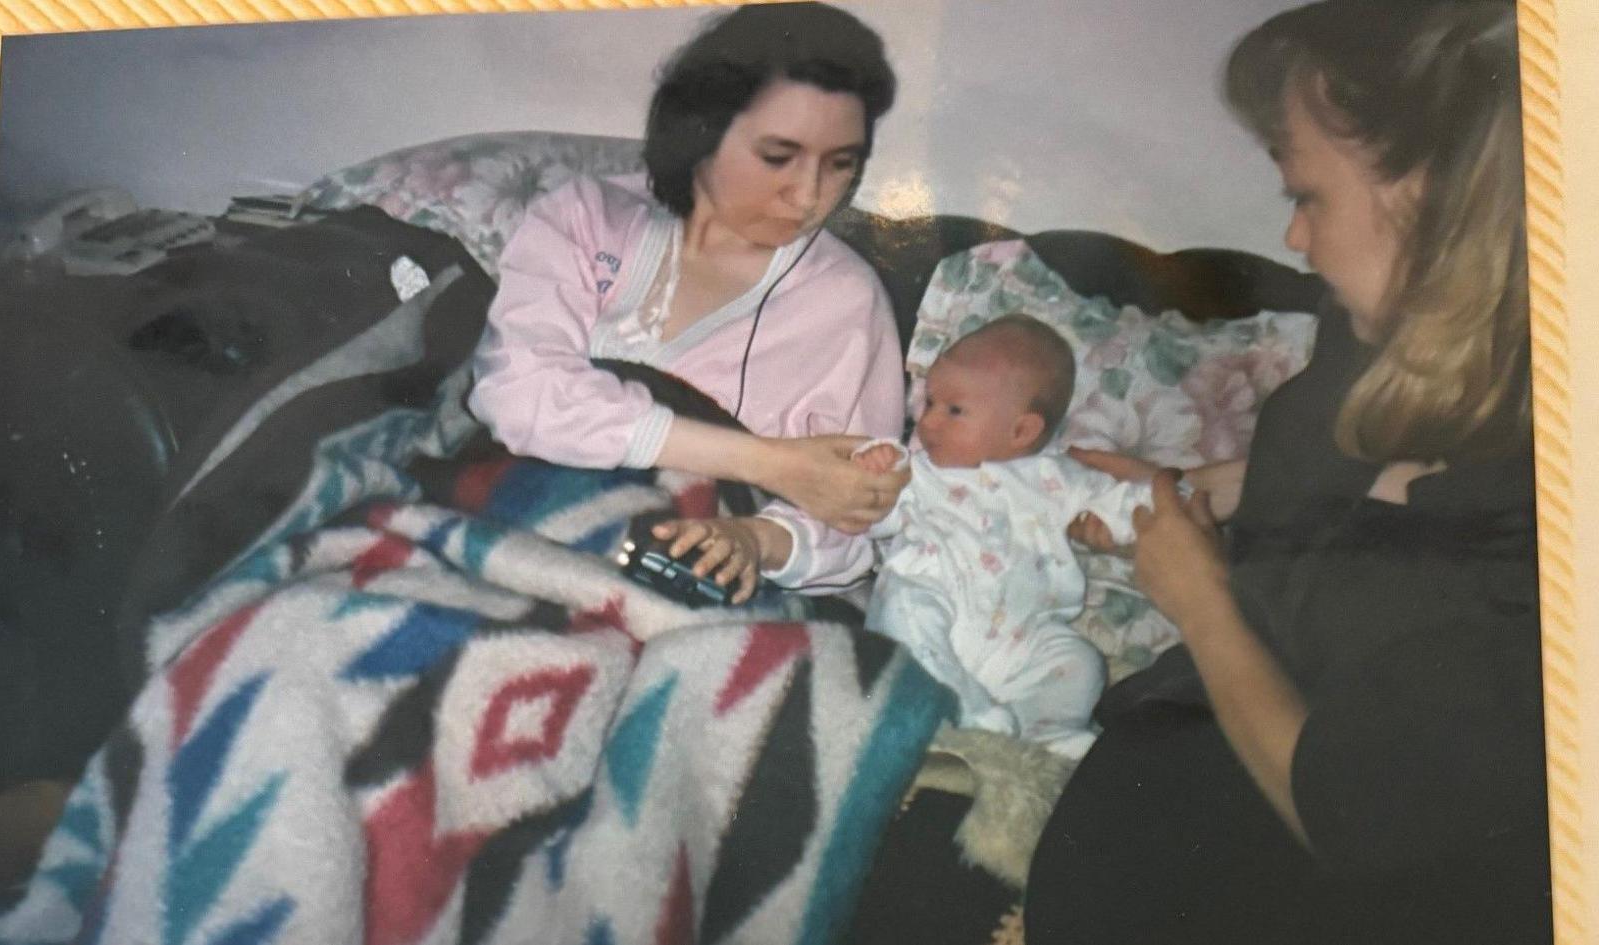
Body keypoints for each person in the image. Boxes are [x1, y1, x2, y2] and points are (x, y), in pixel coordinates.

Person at [1025, 2, 1549, 943]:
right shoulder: (1371, 342)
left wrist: (1201, 599)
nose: (1297, 242)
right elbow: (1345, 497)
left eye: (1306, 196)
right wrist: (1197, 487)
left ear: (1443, 202)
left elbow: (1348, 810)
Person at [467, 1, 908, 606]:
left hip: (671, 580)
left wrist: (754, 538)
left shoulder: (846, 302)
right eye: (778, 157)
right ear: (701, 131)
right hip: (501, 528)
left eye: (840, 165)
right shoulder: (586, 218)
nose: (809, 195)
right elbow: (518, 393)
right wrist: (768, 462)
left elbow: (858, 516)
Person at [853, 318, 1152, 755]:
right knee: (904, 601)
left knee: (1077, 660)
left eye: (954, 410)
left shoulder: (1057, 479)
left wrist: (1124, 519)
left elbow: (1129, 502)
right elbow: (868, 514)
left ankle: (1047, 730)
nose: (928, 421)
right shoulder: (915, 472)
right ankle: (957, 704)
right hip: (935, 614)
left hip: (1020, 639)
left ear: (1022, 431)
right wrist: (874, 475)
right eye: (929, 401)